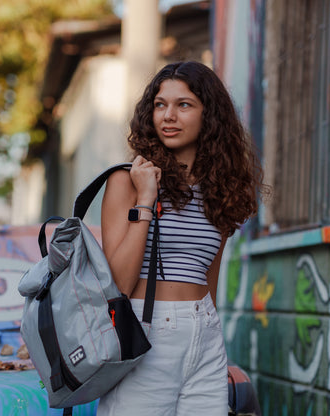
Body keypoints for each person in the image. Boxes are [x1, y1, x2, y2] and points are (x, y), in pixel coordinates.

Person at [97, 61, 264, 415]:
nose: (168, 116)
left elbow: (210, 276)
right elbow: (119, 284)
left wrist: (210, 337)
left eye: (183, 105)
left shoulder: (221, 189)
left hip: (204, 334)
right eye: (160, 104)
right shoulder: (126, 181)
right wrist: (146, 199)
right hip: (147, 331)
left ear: (210, 116)